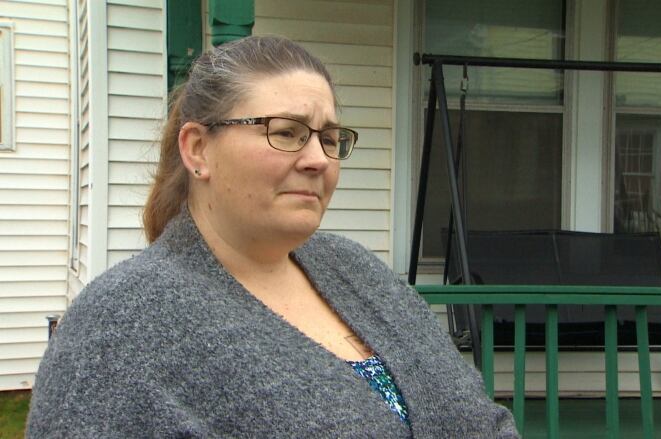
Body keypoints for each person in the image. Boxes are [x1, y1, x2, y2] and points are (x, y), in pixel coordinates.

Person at [26, 36, 519, 438]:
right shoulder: (121, 325)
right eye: (286, 132)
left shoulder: (357, 271)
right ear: (198, 150)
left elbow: (480, 420)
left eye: (329, 138)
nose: (319, 159)